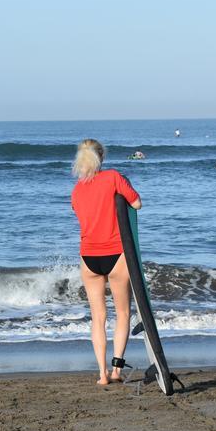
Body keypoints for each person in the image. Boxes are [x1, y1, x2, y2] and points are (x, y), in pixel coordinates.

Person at [70, 139, 141, 386]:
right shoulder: (112, 177)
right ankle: (116, 370)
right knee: (122, 313)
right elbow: (136, 203)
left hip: (88, 257)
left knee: (97, 317)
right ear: (102, 157)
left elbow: (78, 211)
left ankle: (101, 374)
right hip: (116, 253)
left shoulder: (77, 189)